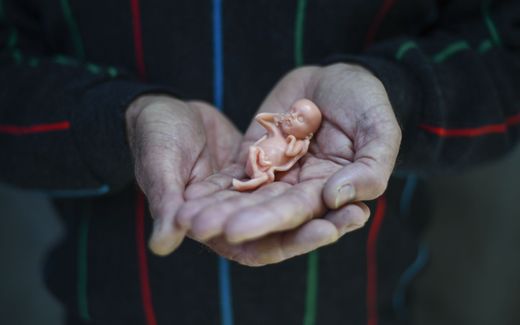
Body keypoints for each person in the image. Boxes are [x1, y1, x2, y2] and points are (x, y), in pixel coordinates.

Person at [0, 0, 518, 324]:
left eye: (300, 122)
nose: (291, 123)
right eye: (292, 119)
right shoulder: (280, 131)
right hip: (114, 302)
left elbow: (504, 44)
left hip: (359, 303)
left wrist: (398, 95)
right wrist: (119, 120)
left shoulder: (294, 145)